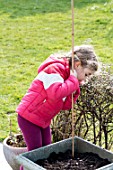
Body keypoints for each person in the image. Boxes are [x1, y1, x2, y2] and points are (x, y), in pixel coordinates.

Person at [16, 45, 98, 170]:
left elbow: (64, 105)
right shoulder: (55, 69)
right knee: (34, 155)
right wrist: (73, 81)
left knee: (47, 151)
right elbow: (55, 94)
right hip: (29, 117)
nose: (86, 79)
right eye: (86, 74)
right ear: (77, 65)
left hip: (42, 120)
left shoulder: (68, 78)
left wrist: (74, 90)